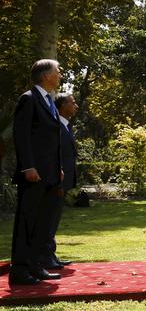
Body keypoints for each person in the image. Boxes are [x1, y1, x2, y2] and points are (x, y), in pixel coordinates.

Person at [10, 59, 64, 285]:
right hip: (33, 174)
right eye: (57, 71)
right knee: (27, 222)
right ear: (46, 75)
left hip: (50, 175)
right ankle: (20, 270)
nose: (60, 74)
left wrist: (58, 167)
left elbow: (51, 140)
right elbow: (22, 136)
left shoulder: (49, 101)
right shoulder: (28, 99)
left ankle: (36, 266)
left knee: (42, 223)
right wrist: (28, 166)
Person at [38, 93, 79, 270]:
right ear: (62, 106)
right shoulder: (56, 127)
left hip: (63, 180)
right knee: (49, 219)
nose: (76, 106)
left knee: (54, 219)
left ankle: (50, 255)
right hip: (56, 180)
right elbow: (55, 155)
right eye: (72, 102)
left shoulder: (66, 126)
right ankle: (45, 257)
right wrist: (59, 182)